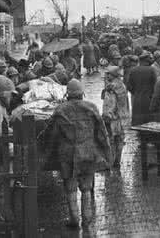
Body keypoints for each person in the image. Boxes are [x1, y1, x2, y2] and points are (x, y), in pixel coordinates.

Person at [38, 79, 111, 227]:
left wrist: (41, 145)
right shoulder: (91, 108)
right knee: (86, 186)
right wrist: (107, 152)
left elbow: (50, 135)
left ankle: (74, 219)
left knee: (70, 187)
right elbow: (102, 133)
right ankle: (87, 218)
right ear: (82, 93)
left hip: (67, 154)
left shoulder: (60, 110)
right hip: (88, 152)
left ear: (68, 94)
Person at [102, 66, 130, 168]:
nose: (106, 75)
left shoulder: (111, 88)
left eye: (108, 74)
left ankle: (111, 161)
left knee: (111, 140)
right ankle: (117, 161)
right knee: (119, 139)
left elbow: (110, 103)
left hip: (113, 118)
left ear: (113, 75)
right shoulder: (121, 85)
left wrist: (106, 115)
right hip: (122, 117)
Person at [126, 51, 157, 126]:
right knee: (148, 123)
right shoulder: (152, 70)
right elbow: (155, 85)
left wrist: (136, 92)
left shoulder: (133, 70)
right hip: (148, 99)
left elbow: (129, 86)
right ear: (146, 61)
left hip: (136, 100)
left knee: (137, 123)